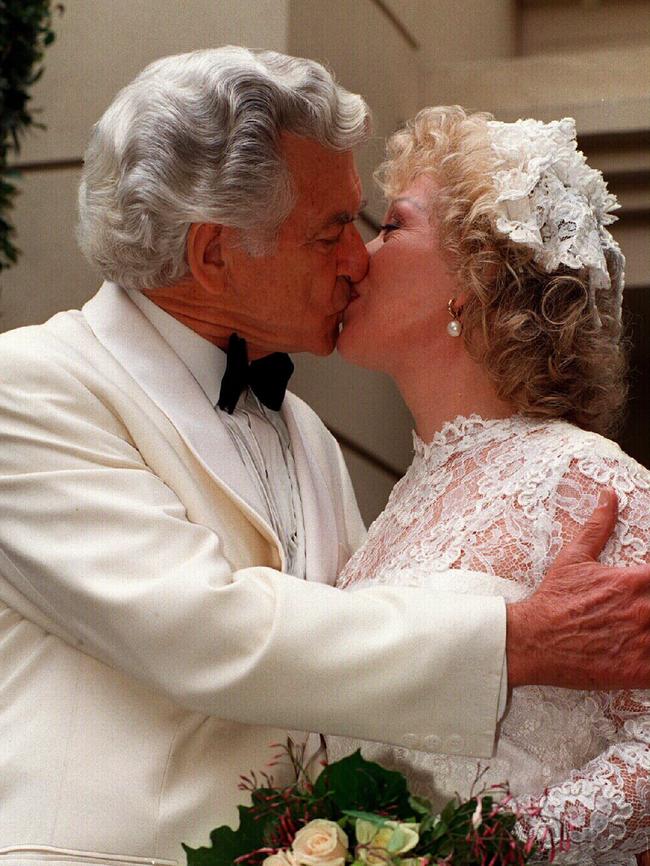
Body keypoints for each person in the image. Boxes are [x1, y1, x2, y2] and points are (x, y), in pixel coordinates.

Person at [0, 49, 648, 865]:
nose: (357, 256)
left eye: (371, 223)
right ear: (211, 255)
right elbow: (205, 632)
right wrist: (512, 640)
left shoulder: (304, 430)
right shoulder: (28, 387)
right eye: (333, 229)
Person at [332, 106, 650, 864]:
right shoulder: (390, 513)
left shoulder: (586, 476)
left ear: (474, 280)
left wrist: (494, 852)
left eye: (391, 227)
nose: (359, 253)